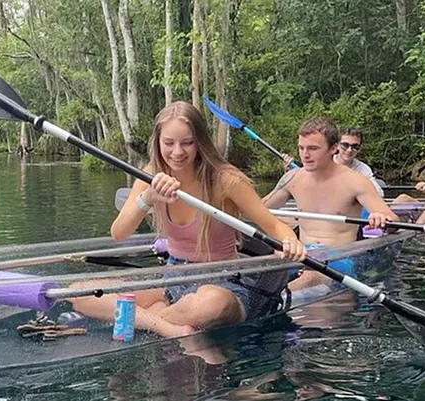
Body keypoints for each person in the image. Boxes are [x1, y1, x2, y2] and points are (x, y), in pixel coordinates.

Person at [69, 101, 307, 338]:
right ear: (158, 142)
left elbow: (273, 225)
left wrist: (291, 241)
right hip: (174, 278)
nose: (177, 152)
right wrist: (148, 198)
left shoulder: (226, 180)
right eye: (169, 143)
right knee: (78, 293)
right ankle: (167, 326)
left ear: (200, 143)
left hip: (222, 282)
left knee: (213, 303)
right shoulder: (150, 174)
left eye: (187, 143)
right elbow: (119, 233)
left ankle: (151, 318)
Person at [261, 117, 398, 291]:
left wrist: (381, 218)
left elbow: (392, 219)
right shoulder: (293, 178)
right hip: (300, 254)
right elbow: (259, 209)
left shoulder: (355, 181)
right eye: (301, 148)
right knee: (265, 272)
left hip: (339, 260)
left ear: (333, 148)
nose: (305, 155)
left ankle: (277, 300)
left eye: (313, 148)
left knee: (310, 277)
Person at [278, 126, 385, 198]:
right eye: (345, 145)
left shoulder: (363, 169)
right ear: (336, 145)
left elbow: (379, 194)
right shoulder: (323, 163)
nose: (349, 150)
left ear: (360, 148)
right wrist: (289, 173)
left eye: (355, 146)